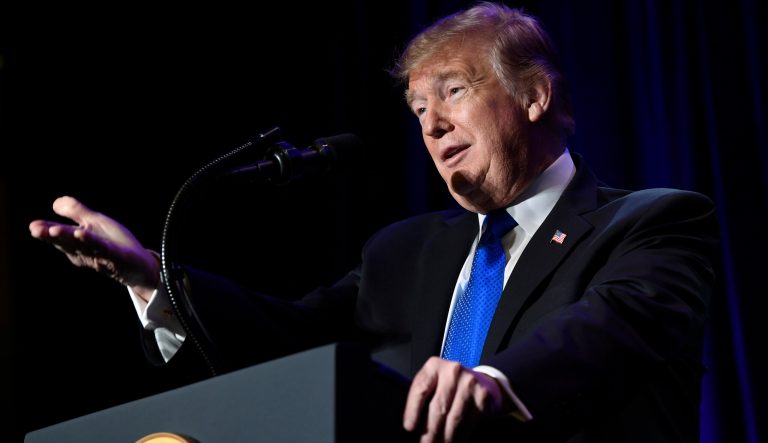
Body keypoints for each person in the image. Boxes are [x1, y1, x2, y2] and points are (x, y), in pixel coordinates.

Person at [29, 3, 719, 442]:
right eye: (419, 109)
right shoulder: (405, 251)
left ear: (534, 95)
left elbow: (612, 328)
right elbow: (284, 339)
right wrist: (153, 278)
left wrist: (493, 381)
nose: (433, 124)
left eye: (453, 92)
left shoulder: (653, 221)